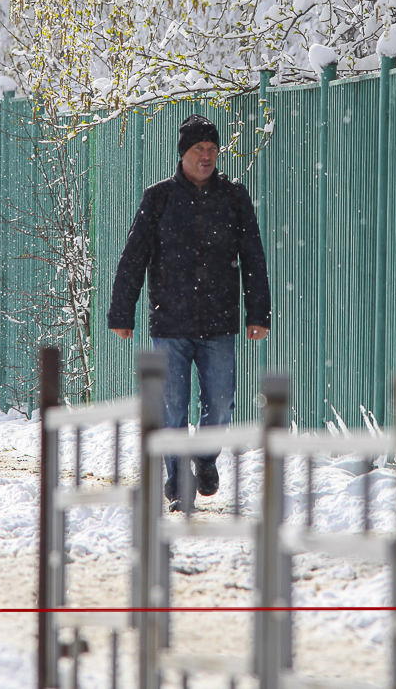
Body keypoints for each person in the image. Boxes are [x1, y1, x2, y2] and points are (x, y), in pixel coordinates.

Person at [108, 113, 271, 510]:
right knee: (173, 407)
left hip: (219, 322)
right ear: (183, 153)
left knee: (221, 402)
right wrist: (122, 313)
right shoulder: (159, 198)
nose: (206, 156)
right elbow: (134, 257)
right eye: (199, 148)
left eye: (212, 149)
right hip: (170, 323)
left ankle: (206, 457)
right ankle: (179, 480)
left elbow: (253, 257)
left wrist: (258, 313)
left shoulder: (234, 197)